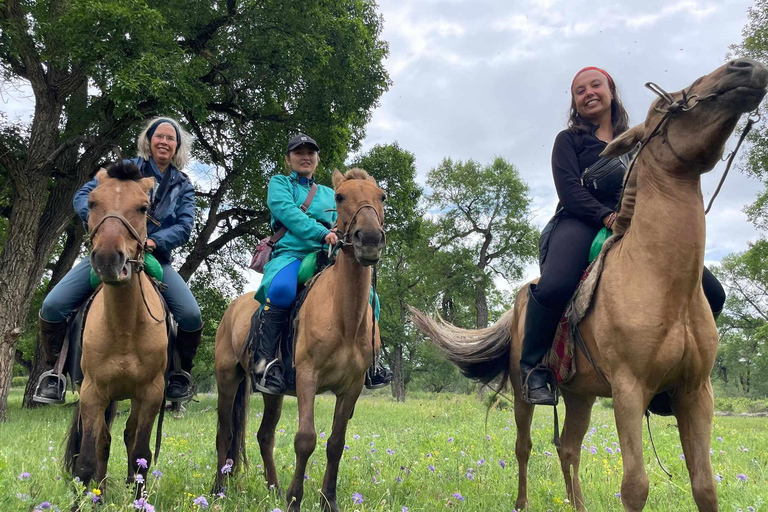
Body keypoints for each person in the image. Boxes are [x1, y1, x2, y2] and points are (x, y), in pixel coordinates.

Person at [520, 67, 726, 405]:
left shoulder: (641, 137)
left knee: (713, 292)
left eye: (595, 85)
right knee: (555, 284)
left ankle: (670, 378)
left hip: (636, 224)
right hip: (580, 219)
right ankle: (534, 369)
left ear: (611, 91)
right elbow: (569, 190)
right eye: (579, 90)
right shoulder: (568, 140)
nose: (588, 93)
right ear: (574, 102)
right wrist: (605, 215)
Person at [34, 116, 203, 403]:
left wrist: (153, 241)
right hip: (110, 253)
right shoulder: (123, 170)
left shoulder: (183, 185)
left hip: (154, 258)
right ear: (148, 140)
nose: (164, 141)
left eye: (170, 138)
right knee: (53, 306)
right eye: (158, 136)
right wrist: (102, 225)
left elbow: (185, 227)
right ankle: (55, 373)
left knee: (190, 315)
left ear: (177, 146)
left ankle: (178, 376)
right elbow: (85, 195)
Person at [251, 133, 393, 395]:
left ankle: (372, 363)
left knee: (372, 298)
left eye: (311, 153)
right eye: (298, 152)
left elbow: (344, 221)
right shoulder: (280, 184)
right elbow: (288, 213)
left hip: (328, 256)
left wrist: (342, 233)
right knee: (281, 290)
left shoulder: (332, 193)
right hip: (290, 253)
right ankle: (266, 362)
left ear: (317, 159)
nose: (305, 157)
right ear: (288, 159)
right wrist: (320, 232)